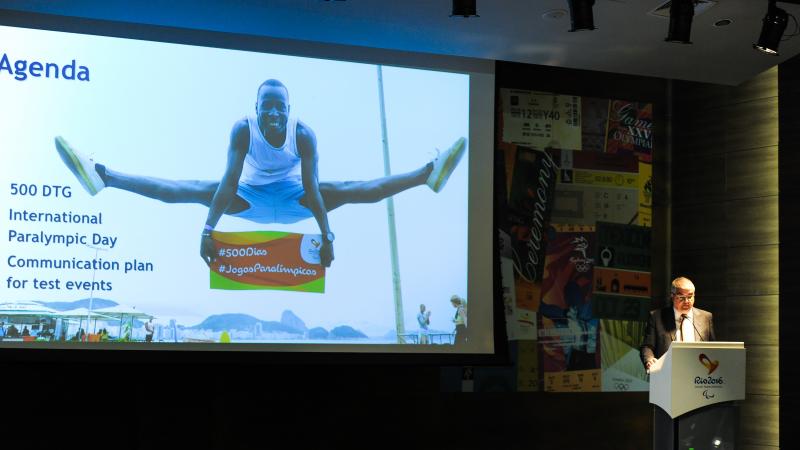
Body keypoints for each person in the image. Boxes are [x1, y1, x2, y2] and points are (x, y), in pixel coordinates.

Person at [55, 79, 466, 268]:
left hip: (292, 200)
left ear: (289, 110)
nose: (273, 113)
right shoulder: (242, 129)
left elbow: (313, 190)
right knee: (194, 188)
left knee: (348, 188)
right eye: (265, 106)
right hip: (248, 197)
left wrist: (327, 237)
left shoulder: (303, 135)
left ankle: (427, 174)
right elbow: (229, 183)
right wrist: (207, 232)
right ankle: (103, 177)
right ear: (256, 110)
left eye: (279, 107)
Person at [640, 276, 716, 371]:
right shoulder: (656, 317)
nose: (687, 301)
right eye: (681, 297)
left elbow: (713, 347)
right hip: (667, 372)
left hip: (698, 373)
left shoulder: (706, 317)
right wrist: (649, 359)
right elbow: (647, 346)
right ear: (672, 296)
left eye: (690, 296)